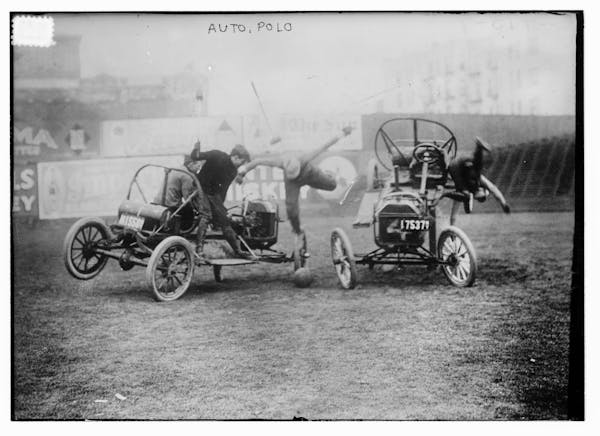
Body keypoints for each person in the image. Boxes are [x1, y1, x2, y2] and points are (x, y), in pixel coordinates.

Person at [236, 126, 354, 242]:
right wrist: (242, 172)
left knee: (332, 185)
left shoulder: (305, 158)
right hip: (292, 182)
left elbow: (325, 146)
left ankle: (329, 174)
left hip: (310, 174)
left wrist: (343, 133)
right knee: (291, 208)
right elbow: (257, 161)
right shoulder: (279, 162)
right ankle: (297, 230)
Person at [189, 142, 253, 259]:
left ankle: (237, 251)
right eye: (242, 162)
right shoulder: (217, 155)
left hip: (212, 195)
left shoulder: (233, 171)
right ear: (235, 157)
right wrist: (196, 149)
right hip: (199, 189)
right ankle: (199, 250)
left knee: (225, 220)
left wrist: (222, 211)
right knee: (206, 215)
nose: (242, 166)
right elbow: (196, 156)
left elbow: (222, 192)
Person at [447, 137, 511, 225]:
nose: (479, 193)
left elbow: (454, 210)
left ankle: (479, 148)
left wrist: (452, 225)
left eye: (479, 196)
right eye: (481, 194)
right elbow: (494, 189)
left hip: (458, 166)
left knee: (465, 187)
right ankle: (479, 148)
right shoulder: (480, 181)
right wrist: (503, 204)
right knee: (476, 169)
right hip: (461, 164)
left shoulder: (466, 189)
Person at [160, 155, 212, 257]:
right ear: (191, 164)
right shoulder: (187, 176)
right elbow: (188, 198)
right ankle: (198, 247)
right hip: (171, 207)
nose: (199, 168)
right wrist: (199, 209)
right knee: (201, 214)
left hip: (160, 203)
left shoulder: (176, 169)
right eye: (198, 165)